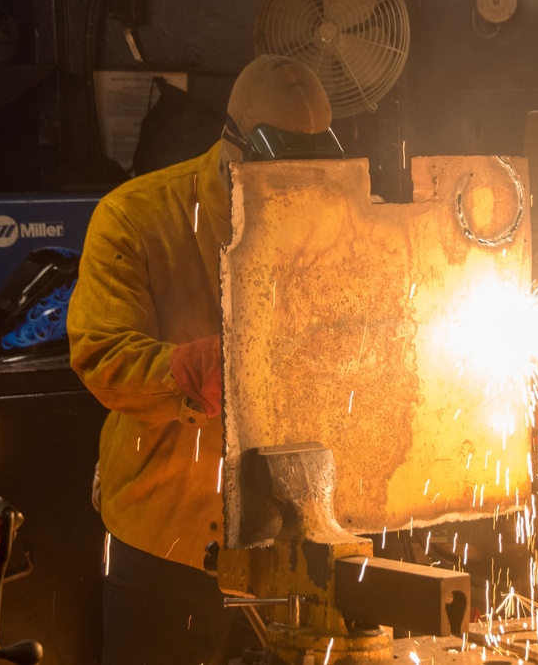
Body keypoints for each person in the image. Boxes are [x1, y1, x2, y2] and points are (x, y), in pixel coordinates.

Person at [68, 54, 333, 664]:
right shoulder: (135, 217)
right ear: (234, 145)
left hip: (294, 535)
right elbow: (102, 355)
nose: (293, 195)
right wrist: (219, 370)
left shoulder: (329, 219)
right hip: (167, 542)